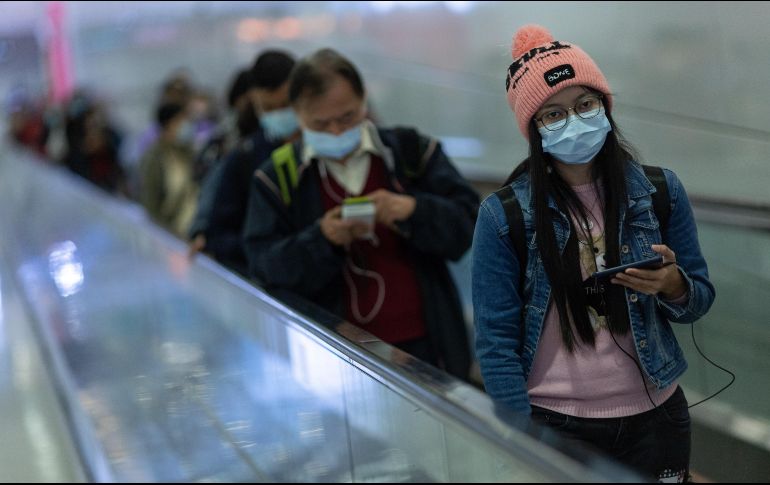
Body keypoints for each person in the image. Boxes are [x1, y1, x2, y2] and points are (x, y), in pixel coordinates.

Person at [471, 25, 715, 482]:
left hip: (657, 417)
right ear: (534, 130)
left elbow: (698, 299)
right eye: (553, 114)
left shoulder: (660, 191)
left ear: (605, 106)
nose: (575, 120)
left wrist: (673, 284)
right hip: (555, 423)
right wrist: (515, 432)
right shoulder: (504, 216)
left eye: (585, 105)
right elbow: (495, 341)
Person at [243, 48, 479, 380]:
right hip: (333, 354)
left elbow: (470, 224)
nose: (337, 133)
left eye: (348, 118)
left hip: (428, 345)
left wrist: (414, 211)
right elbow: (263, 266)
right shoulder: (277, 177)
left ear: (364, 101)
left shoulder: (410, 151)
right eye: (321, 124)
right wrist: (320, 239)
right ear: (297, 115)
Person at [188, 50, 300, 275]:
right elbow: (217, 233)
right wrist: (269, 247)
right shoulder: (246, 157)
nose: (279, 114)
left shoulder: (327, 146)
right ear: (255, 103)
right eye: (268, 108)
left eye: (286, 104)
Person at [140, 101, 199, 238]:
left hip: (189, 232)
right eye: (182, 121)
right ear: (169, 124)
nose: (186, 126)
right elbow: (151, 204)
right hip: (169, 235)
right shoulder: (154, 158)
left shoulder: (186, 152)